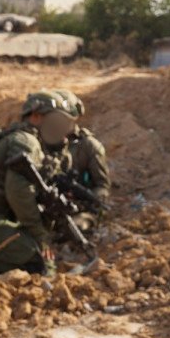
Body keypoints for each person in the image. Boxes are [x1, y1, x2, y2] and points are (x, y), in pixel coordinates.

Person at [0, 89, 77, 275]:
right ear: (35, 116)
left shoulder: (20, 136)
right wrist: (39, 233)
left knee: (36, 252)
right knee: (37, 260)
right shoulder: (26, 142)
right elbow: (18, 191)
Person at [53, 89, 110, 232]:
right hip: (47, 204)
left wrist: (87, 203)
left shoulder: (88, 146)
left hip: (76, 207)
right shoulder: (39, 142)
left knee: (76, 227)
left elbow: (102, 186)